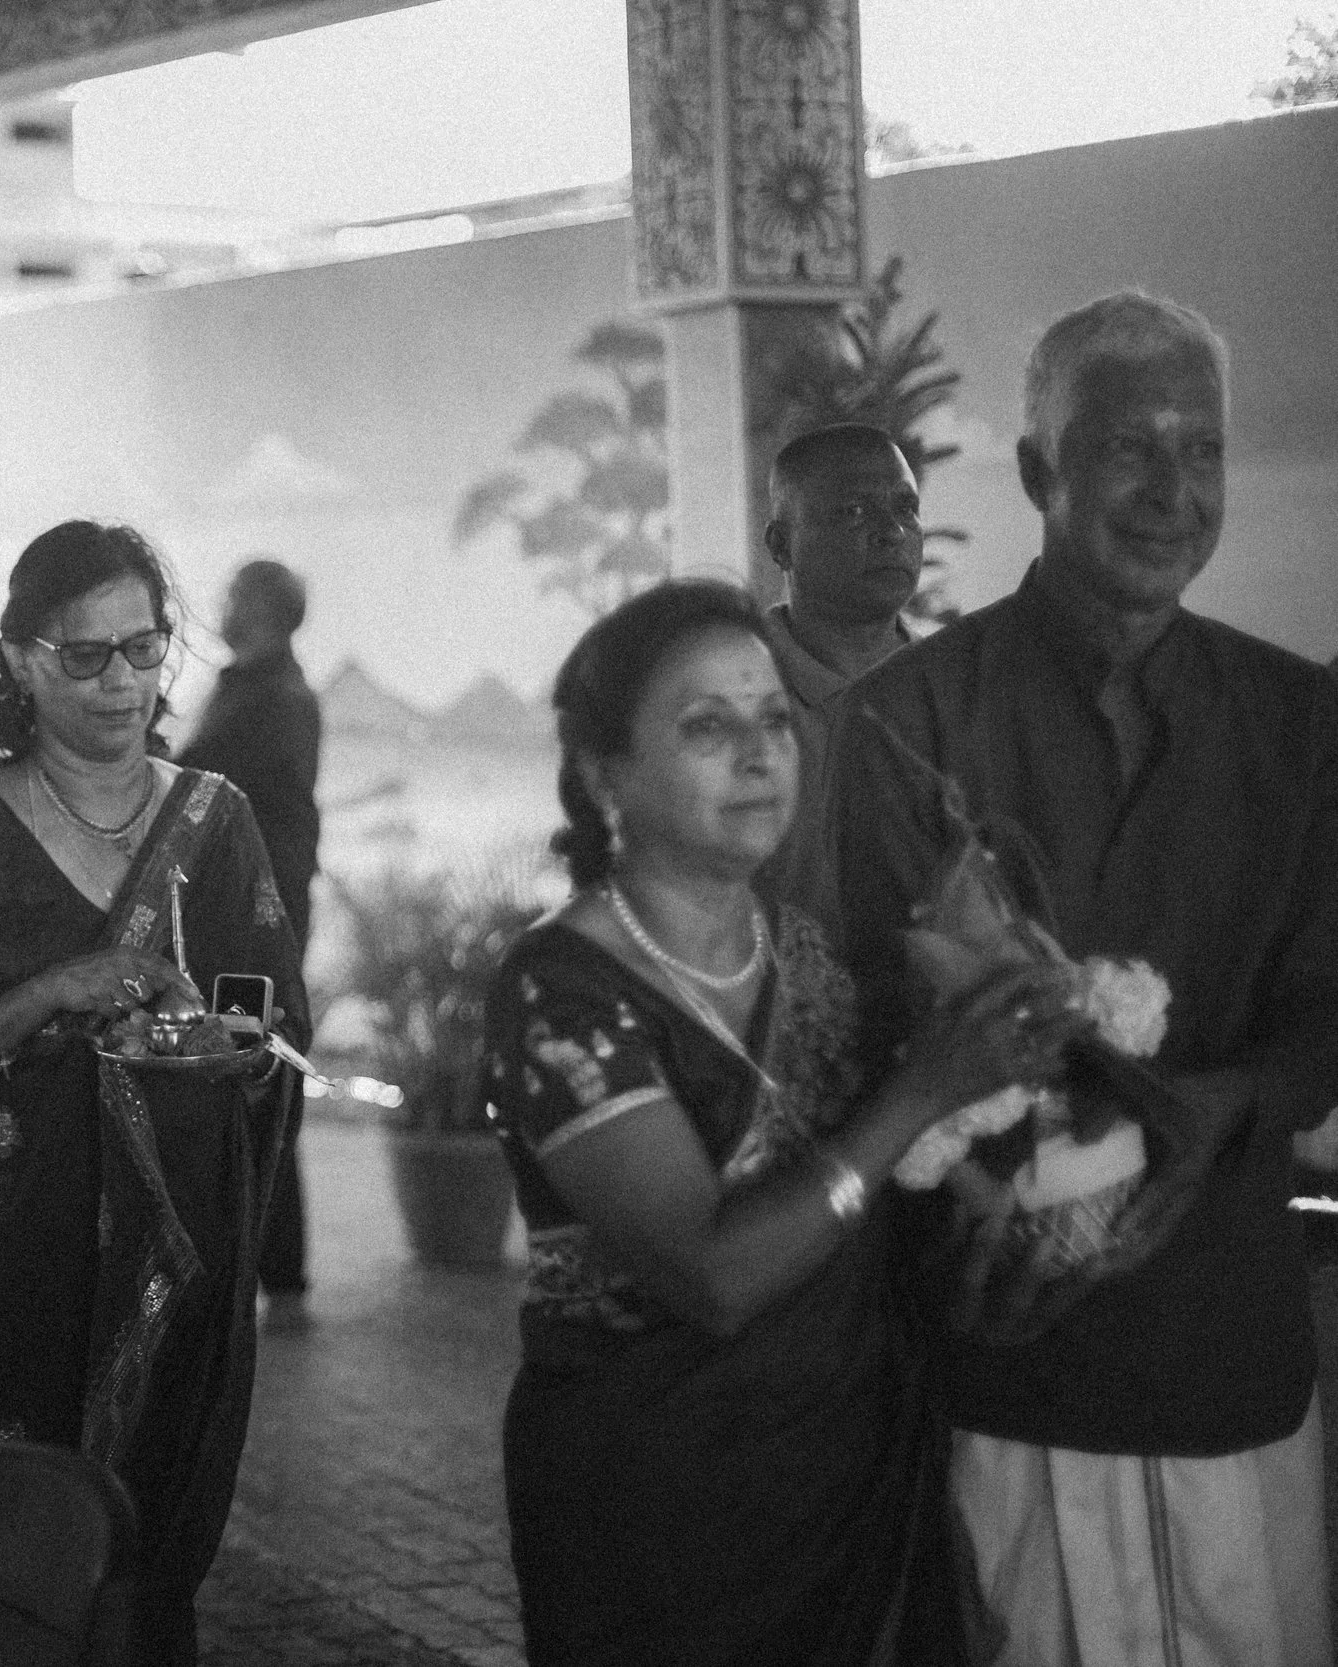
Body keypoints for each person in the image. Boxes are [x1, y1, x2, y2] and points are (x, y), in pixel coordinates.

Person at [831, 291, 1338, 1665]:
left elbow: (1326, 1011)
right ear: (1039, 472)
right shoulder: (904, 722)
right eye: (1128, 448)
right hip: (1009, 1349)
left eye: (1206, 451)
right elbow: (861, 1029)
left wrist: (1221, 1103)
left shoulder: (1301, 722)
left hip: (1228, 1338)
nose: (1174, 492)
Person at [487, 579, 1078, 1665]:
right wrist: (925, 1089)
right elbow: (712, 1275)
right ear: (602, 773)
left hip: (853, 1484)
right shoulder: (558, 992)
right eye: (708, 726)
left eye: (772, 720)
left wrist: (1009, 1209)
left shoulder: (799, 948)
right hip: (664, 1521)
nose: (761, 756)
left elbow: (875, 1171)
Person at [0, 519, 308, 1665]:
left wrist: (223, 1048)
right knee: (36, 1543)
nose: (120, 679)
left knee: (157, 1558)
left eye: (143, 646)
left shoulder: (216, 818)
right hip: (30, 1238)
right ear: (19, 658)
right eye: (84, 654)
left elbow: (274, 1026)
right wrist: (40, 998)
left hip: (187, 1238)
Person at [176, 557, 322, 1332]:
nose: (219, 607)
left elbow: (194, 776)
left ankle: (278, 1265)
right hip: (237, 920)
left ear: (261, 609)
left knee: (254, 1069)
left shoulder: (276, 700)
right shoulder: (252, 689)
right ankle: (267, 1261)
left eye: (230, 595)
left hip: (255, 932)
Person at [755, 423, 923, 933]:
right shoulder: (738, 696)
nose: (891, 531)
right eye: (852, 512)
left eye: (906, 508)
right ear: (781, 546)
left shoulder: (959, 687)